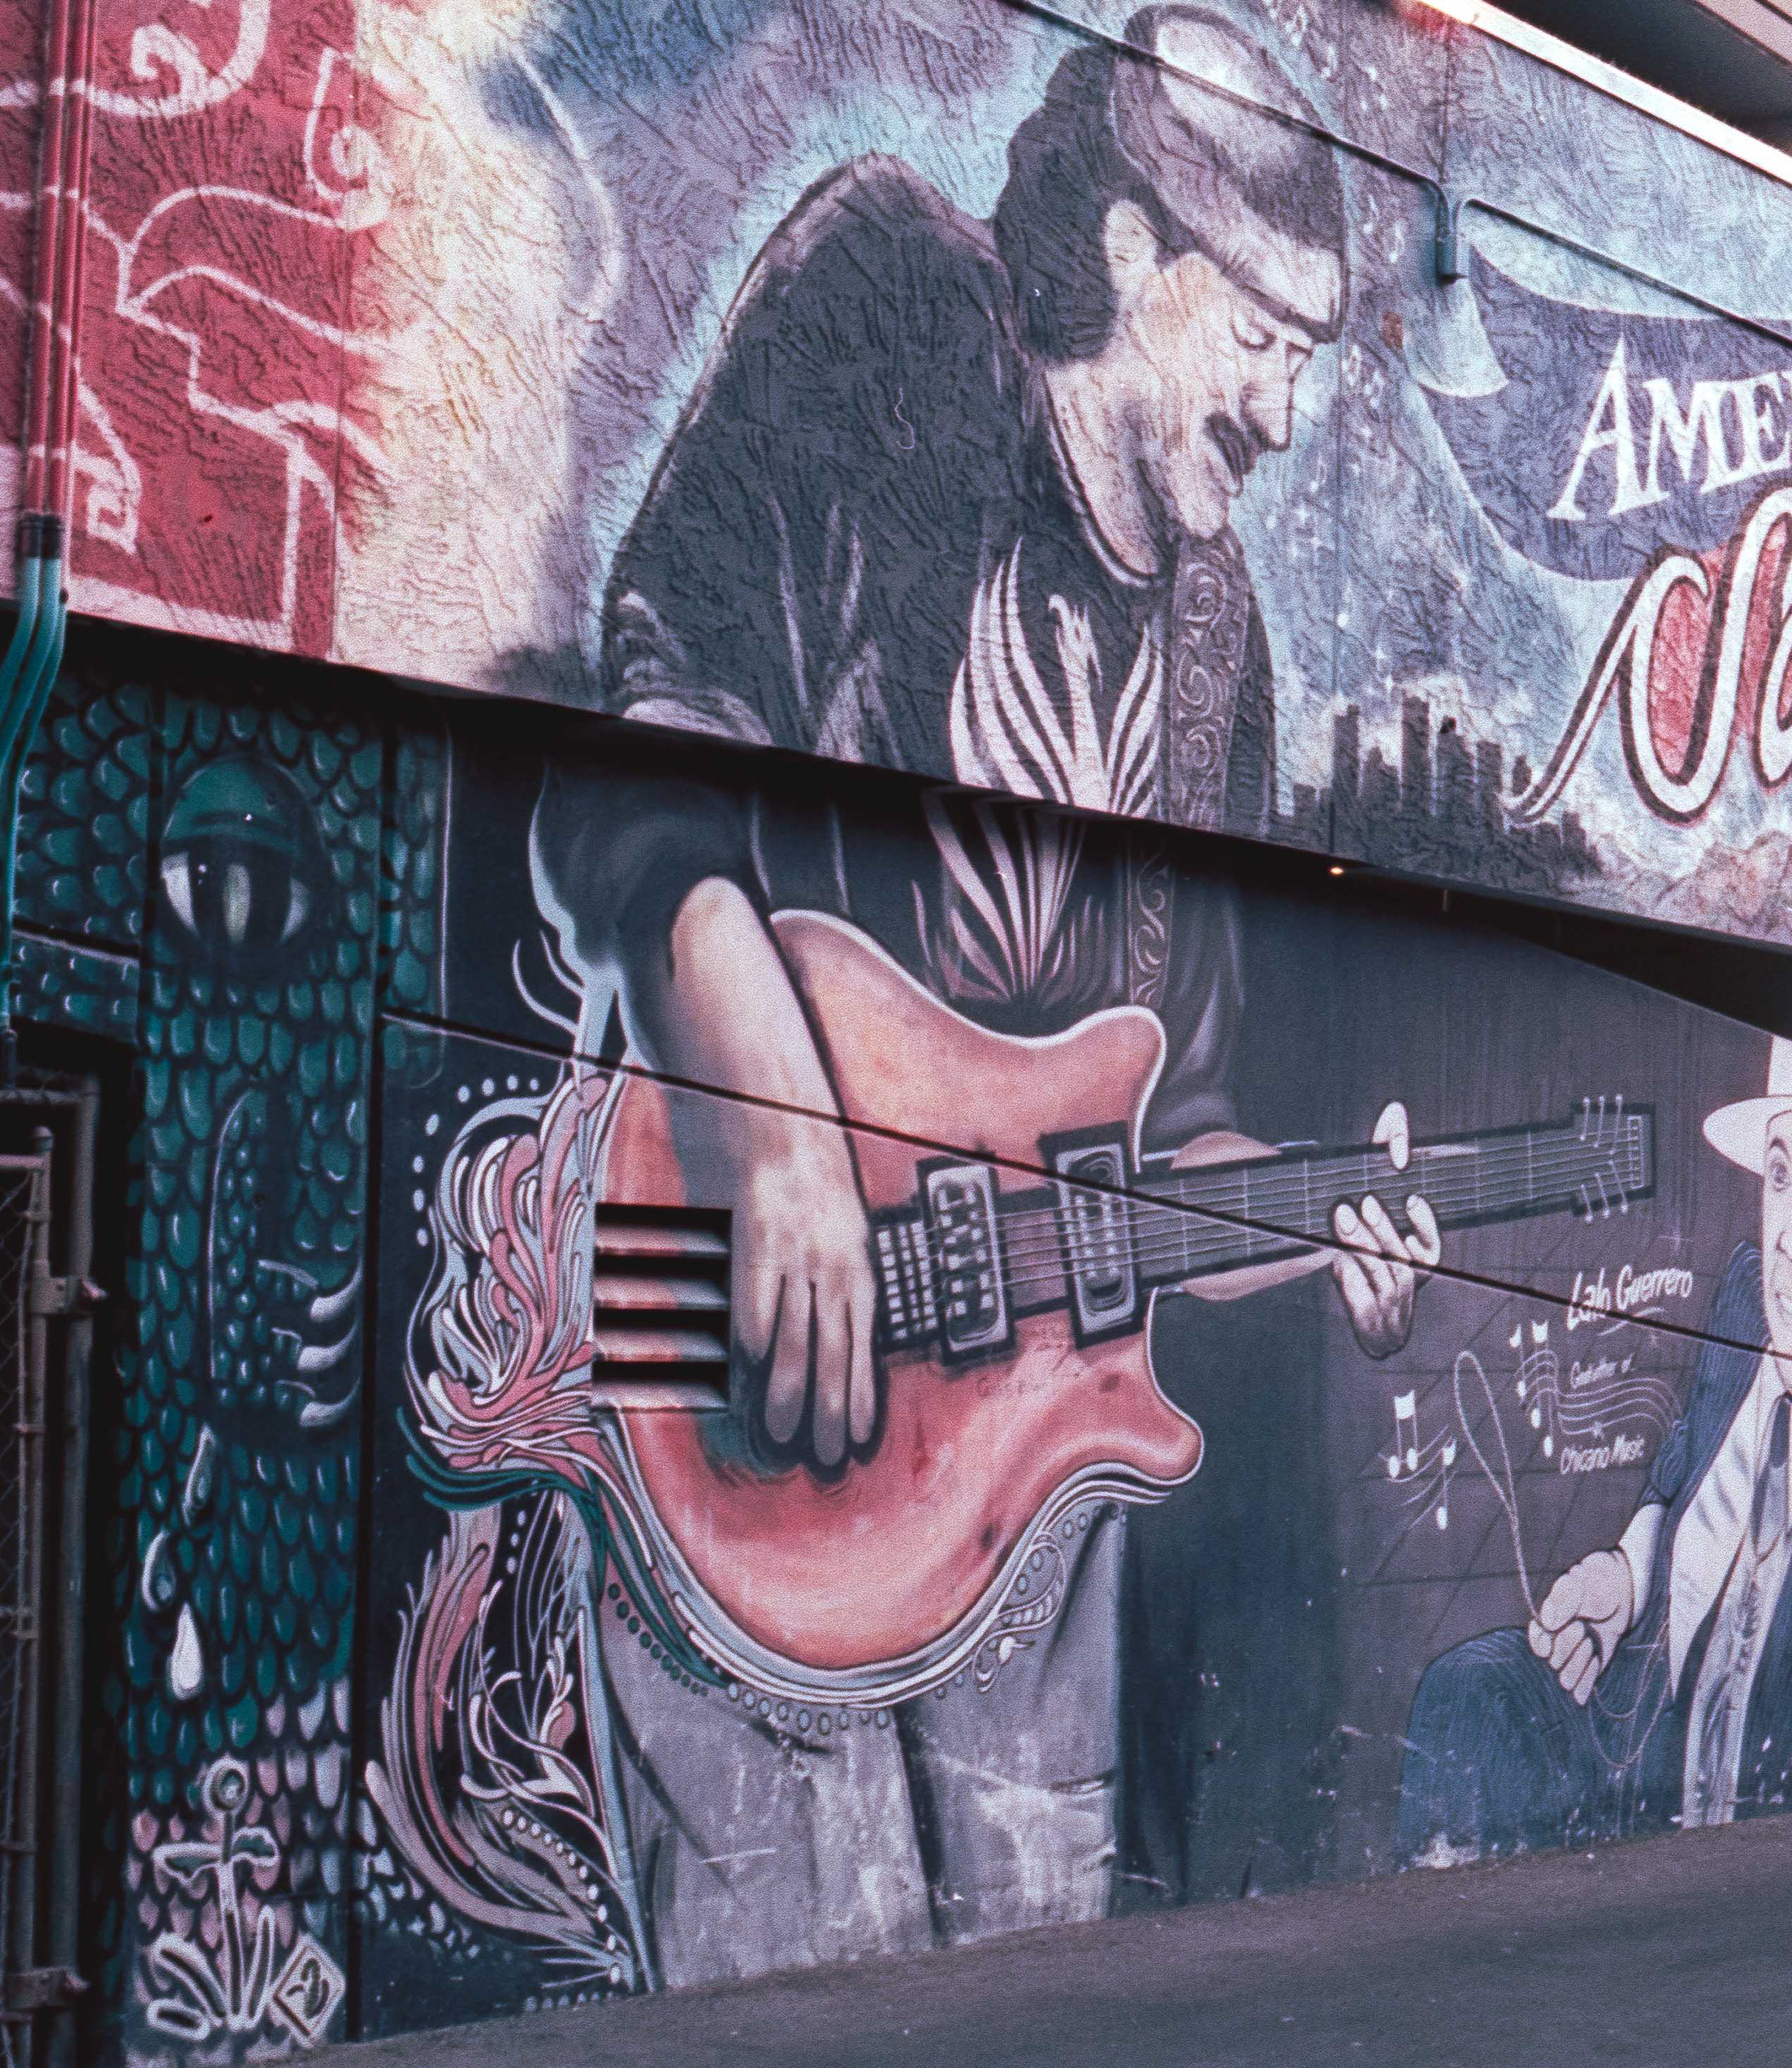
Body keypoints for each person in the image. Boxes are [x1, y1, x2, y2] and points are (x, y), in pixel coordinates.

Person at [530, 7, 1436, 1984]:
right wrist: (771, 1113)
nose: (1283, 414)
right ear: (1130, 259)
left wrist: (1306, 1236)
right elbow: (660, 662)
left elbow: (1160, 1119)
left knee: (1026, 1999)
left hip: (1028, 1530)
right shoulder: (891, 302)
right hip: (753, 1421)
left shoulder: (1223, 665)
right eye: (1265, 342)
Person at [1393, 1030, 1792, 1858]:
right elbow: (1679, 1466)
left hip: (1749, 1799)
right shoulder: (1748, 1296)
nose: (1791, 1237)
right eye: (1779, 1178)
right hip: (1644, 1719)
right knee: (1466, 1692)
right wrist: (1628, 1574)